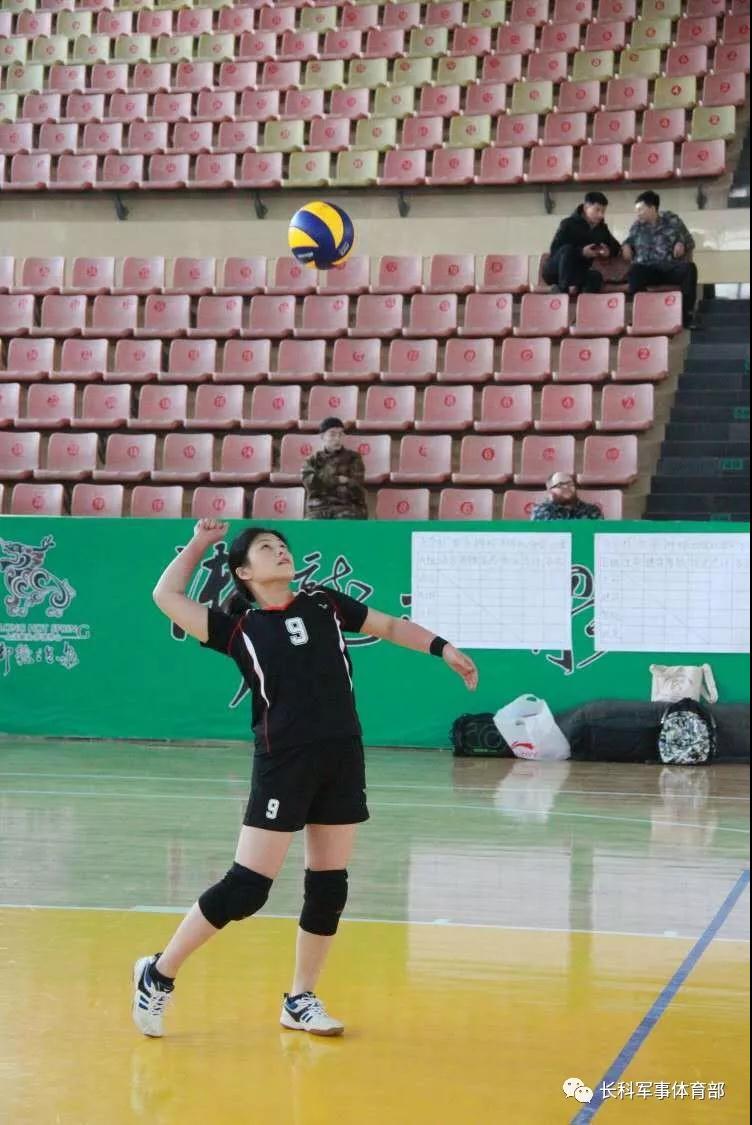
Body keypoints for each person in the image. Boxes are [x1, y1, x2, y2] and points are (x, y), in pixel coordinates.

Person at [132, 519, 479, 1039]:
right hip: (284, 761)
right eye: (266, 548)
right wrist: (202, 542)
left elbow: (389, 626)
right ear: (244, 572)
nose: (280, 551)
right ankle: (158, 974)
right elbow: (166, 595)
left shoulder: (324, 603)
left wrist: (443, 648)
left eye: (283, 545)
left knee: (328, 886)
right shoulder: (237, 629)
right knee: (247, 888)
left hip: (342, 755)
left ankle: (300, 999)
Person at [622, 191, 698, 328]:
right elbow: (629, 241)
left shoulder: (672, 221)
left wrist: (682, 243)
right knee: (634, 272)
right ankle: (643, 316)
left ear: (652, 208)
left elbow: (690, 242)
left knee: (689, 269)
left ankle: (686, 317)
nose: (637, 214)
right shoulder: (637, 226)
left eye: (640, 210)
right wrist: (626, 246)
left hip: (668, 267)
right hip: (647, 269)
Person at [542, 191, 622, 295]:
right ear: (586, 207)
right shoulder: (568, 223)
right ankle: (562, 293)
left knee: (596, 277)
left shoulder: (601, 229)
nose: (601, 215)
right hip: (555, 271)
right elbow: (555, 250)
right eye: (597, 210)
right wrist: (581, 252)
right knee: (568, 249)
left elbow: (616, 247)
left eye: (603, 211)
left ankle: (581, 298)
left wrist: (608, 252)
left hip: (577, 272)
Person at [301, 417, 367, 520]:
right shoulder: (312, 460)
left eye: (340, 434)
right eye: (332, 434)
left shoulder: (353, 458)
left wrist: (323, 480)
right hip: (318, 508)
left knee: (344, 521)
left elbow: (356, 486)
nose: (337, 438)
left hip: (348, 507)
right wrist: (338, 480)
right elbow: (311, 484)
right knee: (311, 524)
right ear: (322, 436)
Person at [531, 473, 604, 521]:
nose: (566, 487)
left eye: (569, 484)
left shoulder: (592, 511)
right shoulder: (542, 511)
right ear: (550, 490)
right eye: (560, 485)